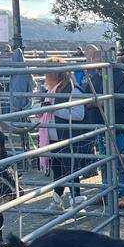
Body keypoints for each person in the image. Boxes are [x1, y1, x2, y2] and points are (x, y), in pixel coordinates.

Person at [82, 44, 124, 209]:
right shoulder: (95, 78)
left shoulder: (121, 76)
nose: (97, 70)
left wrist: (101, 103)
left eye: (99, 66)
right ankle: (106, 189)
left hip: (119, 126)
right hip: (101, 126)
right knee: (104, 159)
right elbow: (86, 97)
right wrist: (90, 102)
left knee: (122, 158)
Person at [37, 57, 88, 208]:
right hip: (52, 137)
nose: (46, 78)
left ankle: (75, 199)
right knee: (57, 169)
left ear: (55, 74)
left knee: (70, 168)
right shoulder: (52, 90)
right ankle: (57, 200)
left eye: (48, 74)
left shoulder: (73, 90)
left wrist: (55, 110)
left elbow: (79, 114)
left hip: (67, 136)